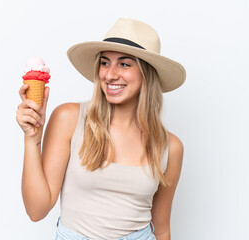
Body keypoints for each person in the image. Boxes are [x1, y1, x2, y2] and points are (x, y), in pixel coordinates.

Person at [16, 18, 186, 240]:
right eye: (105, 63)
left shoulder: (170, 147)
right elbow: (36, 211)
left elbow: (162, 229)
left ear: (147, 73)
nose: (110, 74)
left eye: (124, 64)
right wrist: (32, 139)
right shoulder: (68, 119)